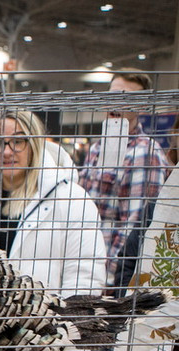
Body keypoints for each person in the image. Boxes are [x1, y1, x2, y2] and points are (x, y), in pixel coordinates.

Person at [0, 110, 106, 296]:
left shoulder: (72, 200)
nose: (6, 151)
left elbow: (84, 278)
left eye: (17, 141)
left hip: (45, 314)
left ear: (34, 145)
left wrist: (61, 315)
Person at [79, 69, 169, 292]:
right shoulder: (96, 148)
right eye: (113, 95)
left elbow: (133, 227)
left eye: (127, 97)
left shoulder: (146, 153)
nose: (116, 103)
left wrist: (108, 280)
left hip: (106, 279)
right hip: (83, 267)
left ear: (142, 106)